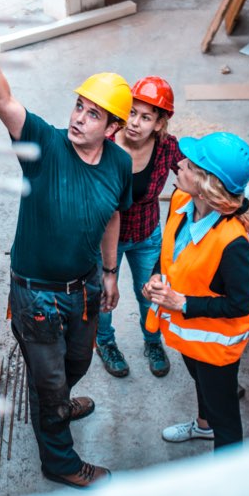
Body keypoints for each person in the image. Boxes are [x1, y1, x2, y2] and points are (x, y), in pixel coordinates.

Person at [0, 3, 133, 488]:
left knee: (78, 362)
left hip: (86, 287)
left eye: (94, 115)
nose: (80, 119)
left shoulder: (118, 164)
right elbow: (2, 100)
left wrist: (110, 273)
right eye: (79, 106)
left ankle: (56, 405)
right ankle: (61, 461)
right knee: (48, 381)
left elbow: (114, 214)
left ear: (112, 129)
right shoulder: (44, 146)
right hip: (37, 296)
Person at [142, 132, 249, 449]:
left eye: (191, 164)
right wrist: (157, 277)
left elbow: (240, 305)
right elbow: (171, 251)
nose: (179, 164)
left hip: (215, 347)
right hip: (190, 334)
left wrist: (182, 303)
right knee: (200, 383)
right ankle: (202, 426)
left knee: (226, 420)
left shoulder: (233, 243)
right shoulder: (182, 201)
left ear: (208, 184)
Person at [96, 76, 181, 379]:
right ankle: (105, 342)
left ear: (159, 124)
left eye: (146, 117)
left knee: (150, 294)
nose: (134, 122)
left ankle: (153, 342)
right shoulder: (105, 143)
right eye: (132, 112)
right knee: (104, 296)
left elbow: (192, 174)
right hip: (107, 239)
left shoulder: (167, 148)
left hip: (146, 235)